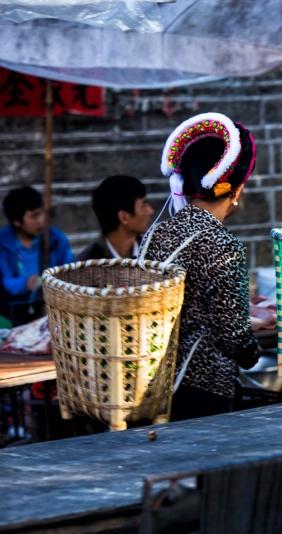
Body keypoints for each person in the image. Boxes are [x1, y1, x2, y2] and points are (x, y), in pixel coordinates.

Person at [142, 112, 259, 420]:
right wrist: (253, 353)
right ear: (234, 190)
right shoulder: (221, 243)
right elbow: (231, 332)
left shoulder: (156, 233)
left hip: (155, 382)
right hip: (204, 386)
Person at [0, 186, 73, 325]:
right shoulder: (3, 243)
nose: (41, 220)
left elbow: (70, 271)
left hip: (52, 310)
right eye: (34, 216)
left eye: (42, 214)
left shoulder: (56, 239)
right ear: (17, 222)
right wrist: (26, 283)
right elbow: (6, 282)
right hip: (13, 312)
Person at [78, 175, 154, 261]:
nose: (150, 211)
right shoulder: (88, 264)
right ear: (123, 217)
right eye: (143, 205)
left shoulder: (153, 253)